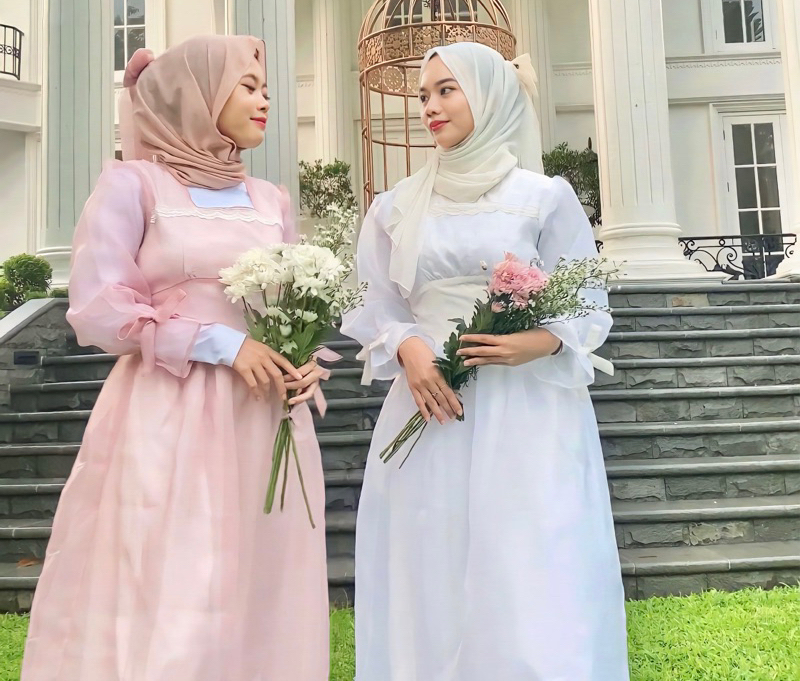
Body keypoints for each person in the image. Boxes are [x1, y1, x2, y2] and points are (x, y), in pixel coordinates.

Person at [21, 36, 329, 681]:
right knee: (178, 574)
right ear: (197, 95)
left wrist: (306, 359)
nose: (264, 101)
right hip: (169, 409)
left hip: (264, 414)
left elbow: (292, 299)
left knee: (263, 575)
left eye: (266, 89)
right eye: (248, 86)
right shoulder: (133, 184)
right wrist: (222, 343)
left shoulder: (270, 199)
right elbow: (99, 304)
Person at [341, 41, 629, 680]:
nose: (429, 107)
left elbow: (587, 300)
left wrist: (539, 342)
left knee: (526, 555)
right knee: (429, 555)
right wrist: (408, 346)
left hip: (526, 408)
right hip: (429, 404)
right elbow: (372, 301)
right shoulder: (394, 205)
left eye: (447, 90)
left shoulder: (543, 197)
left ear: (490, 95)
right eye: (424, 95)